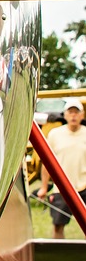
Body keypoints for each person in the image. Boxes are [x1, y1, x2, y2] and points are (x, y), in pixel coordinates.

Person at [37, 98, 86, 239]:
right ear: (65, 115)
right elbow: (47, 163)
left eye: (77, 113)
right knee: (58, 225)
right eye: (70, 113)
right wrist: (44, 187)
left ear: (82, 115)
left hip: (84, 186)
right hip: (61, 188)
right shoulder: (54, 134)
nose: (73, 116)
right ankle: (59, 257)